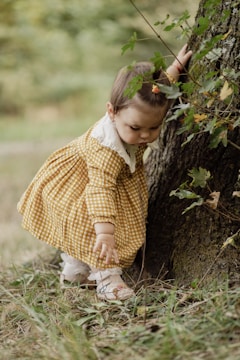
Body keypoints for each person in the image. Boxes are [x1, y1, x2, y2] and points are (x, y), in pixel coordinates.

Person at [17, 44, 192, 301]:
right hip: (82, 186)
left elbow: (155, 93)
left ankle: (75, 272)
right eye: (135, 127)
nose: (144, 135)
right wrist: (106, 234)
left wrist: (174, 70)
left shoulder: (139, 110)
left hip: (90, 182)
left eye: (154, 127)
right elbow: (99, 192)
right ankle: (108, 280)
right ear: (111, 111)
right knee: (97, 229)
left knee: (86, 227)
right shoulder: (106, 150)